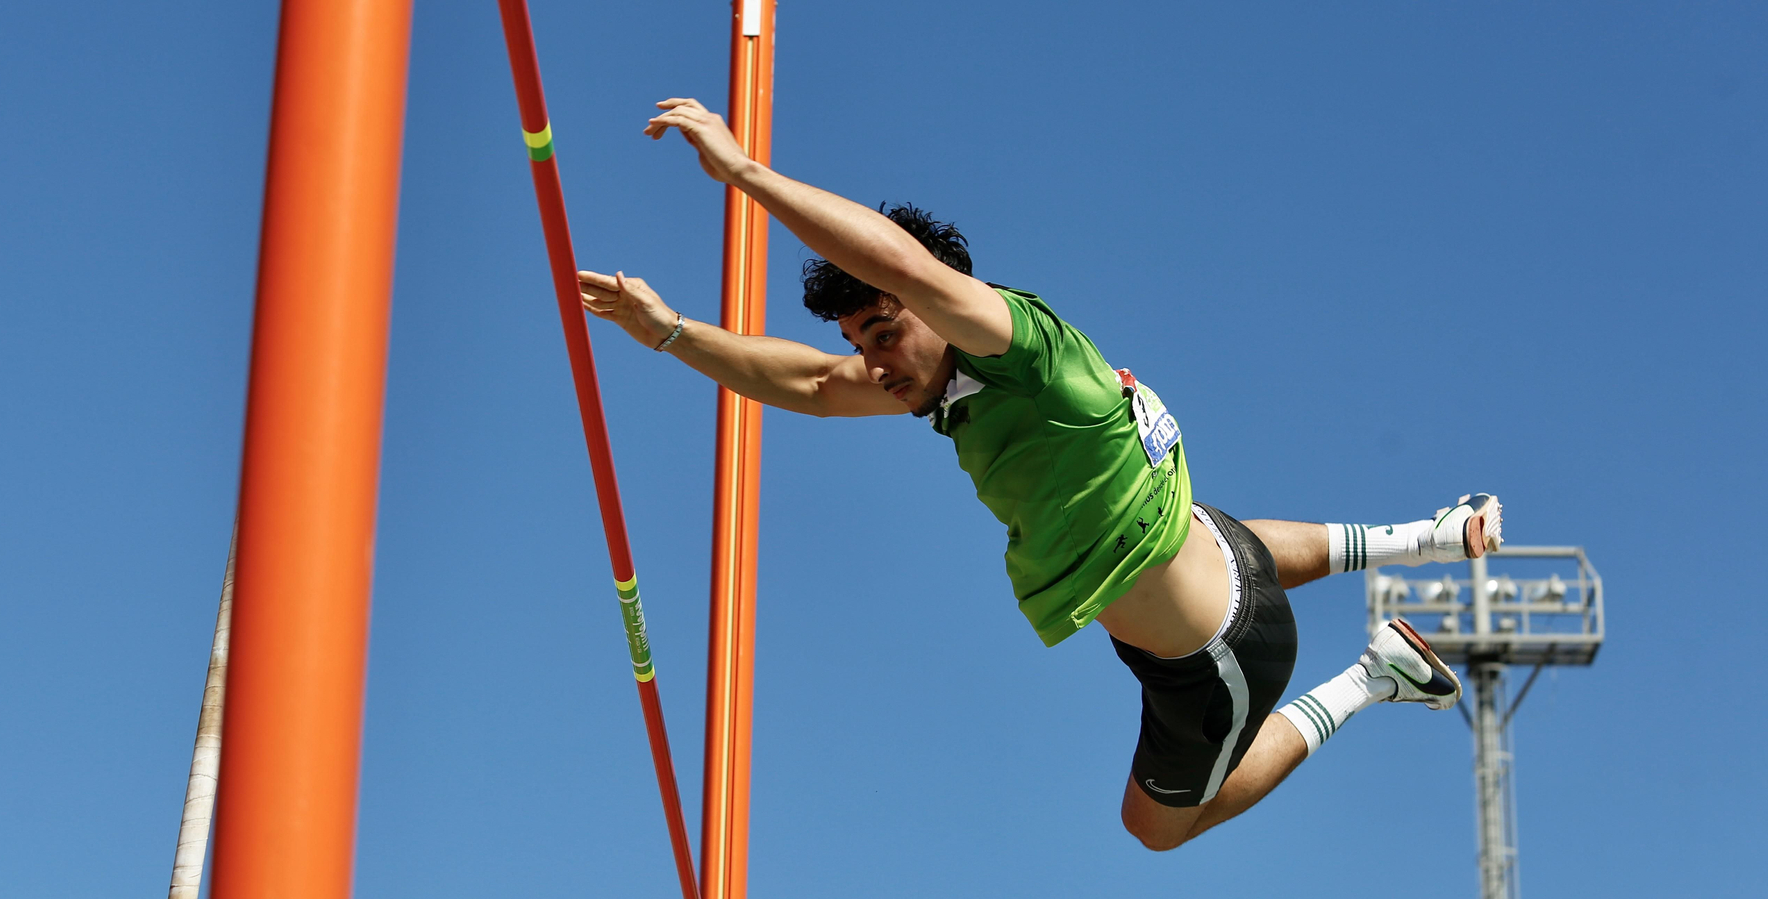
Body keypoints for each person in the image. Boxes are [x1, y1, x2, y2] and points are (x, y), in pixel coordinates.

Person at [577, 97, 1503, 851]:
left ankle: (1375, 677)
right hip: (1210, 560)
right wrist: (668, 332)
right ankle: (1426, 534)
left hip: (1215, 659)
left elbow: (897, 261)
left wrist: (743, 171)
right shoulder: (945, 384)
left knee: (1158, 829)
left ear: (942, 299)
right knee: (1217, 533)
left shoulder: (1018, 344)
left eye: (886, 330)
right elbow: (813, 383)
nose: (875, 360)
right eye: (863, 340)